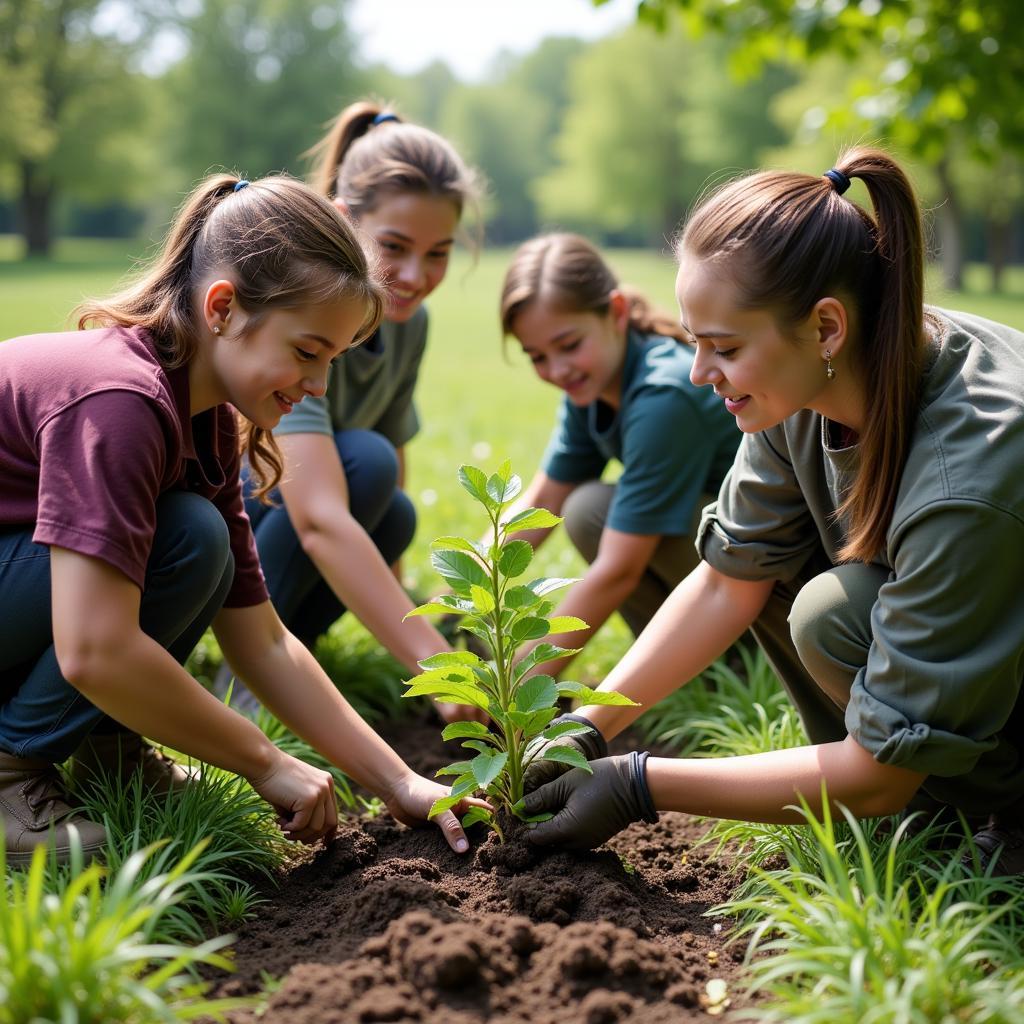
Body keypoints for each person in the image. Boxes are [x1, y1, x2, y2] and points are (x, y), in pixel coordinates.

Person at [520, 148, 1024, 877]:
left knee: (830, 617)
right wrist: (590, 727)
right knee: (820, 605)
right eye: (696, 341)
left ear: (826, 327)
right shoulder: (813, 378)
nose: (699, 373)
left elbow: (876, 771)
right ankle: (914, 803)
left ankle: (998, 813)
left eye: (723, 347)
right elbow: (729, 579)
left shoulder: (970, 477)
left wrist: (641, 785)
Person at [0, 173, 483, 866]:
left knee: (197, 543)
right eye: (308, 352)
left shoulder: (206, 424)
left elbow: (261, 639)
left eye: (335, 362)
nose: (319, 387)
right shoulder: (118, 401)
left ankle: (110, 752)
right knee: (188, 539)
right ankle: (9, 772)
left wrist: (400, 782)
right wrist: (264, 762)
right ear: (222, 307)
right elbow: (94, 647)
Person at [217, 100, 483, 722]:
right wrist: (435, 664)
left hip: (301, 508)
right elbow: (318, 517)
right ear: (343, 222)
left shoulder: (408, 327)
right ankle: (246, 678)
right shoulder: (308, 318)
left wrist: (404, 609)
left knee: (392, 507)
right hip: (219, 519)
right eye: (394, 246)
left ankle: (290, 652)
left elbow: (393, 454)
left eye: (439, 252)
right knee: (363, 463)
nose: (415, 276)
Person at [497, 234, 740, 677]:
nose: (556, 370)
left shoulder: (663, 398)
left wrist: (522, 678)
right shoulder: (591, 387)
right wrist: (464, 597)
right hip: (721, 557)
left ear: (617, 312)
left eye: (569, 345)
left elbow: (618, 569)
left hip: (772, 568)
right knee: (585, 507)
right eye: (537, 356)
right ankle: (692, 662)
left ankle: (731, 658)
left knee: (594, 513)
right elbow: (542, 502)